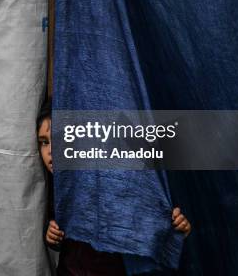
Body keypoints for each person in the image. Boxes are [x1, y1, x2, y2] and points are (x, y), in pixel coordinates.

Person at [37, 98, 191, 275]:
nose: (50, 151)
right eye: (44, 142)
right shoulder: (47, 186)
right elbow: (57, 235)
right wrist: (51, 235)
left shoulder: (108, 179)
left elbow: (147, 220)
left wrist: (178, 227)